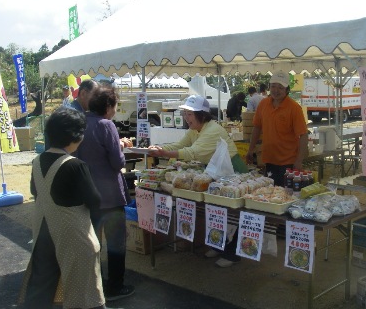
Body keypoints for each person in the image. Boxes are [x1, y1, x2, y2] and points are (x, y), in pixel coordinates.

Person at [21, 106, 108, 309]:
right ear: (74, 135)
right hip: (74, 235)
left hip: (44, 231)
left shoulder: (36, 161)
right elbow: (94, 200)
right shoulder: (75, 165)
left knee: (43, 287)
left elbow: (36, 191)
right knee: (85, 291)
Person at [148, 95, 249, 268]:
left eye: (190, 114)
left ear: (202, 114)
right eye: (185, 114)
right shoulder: (195, 129)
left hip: (232, 170)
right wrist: (159, 148)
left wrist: (164, 154)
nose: (186, 118)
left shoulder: (212, 130)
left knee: (235, 213)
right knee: (216, 210)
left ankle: (232, 253)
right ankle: (219, 244)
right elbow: (180, 145)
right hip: (215, 172)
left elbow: (192, 152)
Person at [76, 86, 135, 302]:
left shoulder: (80, 122)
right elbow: (117, 162)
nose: (115, 111)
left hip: (86, 193)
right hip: (109, 195)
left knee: (90, 242)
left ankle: (91, 285)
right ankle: (115, 287)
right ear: (108, 106)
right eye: (115, 106)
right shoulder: (106, 125)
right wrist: (120, 148)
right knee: (116, 243)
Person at [246, 71, 308, 187]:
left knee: (286, 195)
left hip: (288, 162)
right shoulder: (263, 104)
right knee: (271, 194)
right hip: (269, 160)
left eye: (280, 87)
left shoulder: (294, 108)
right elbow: (257, 127)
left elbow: (303, 135)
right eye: (273, 86)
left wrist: (299, 160)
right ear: (269, 87)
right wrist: (251, 149)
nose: (276, 90)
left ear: (287, 90)